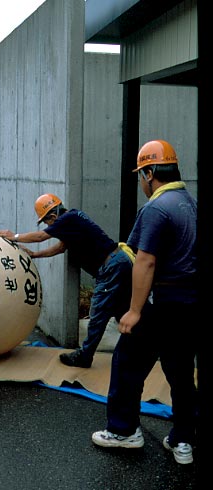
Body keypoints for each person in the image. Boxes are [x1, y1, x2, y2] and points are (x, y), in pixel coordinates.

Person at [91, 140, 197, 465]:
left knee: (127, 363)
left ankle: (124, 432)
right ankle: (182, 442)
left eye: (141, 175)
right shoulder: (191, 204)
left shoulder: (156, 208)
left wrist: (134, 311)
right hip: (190, 306)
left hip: (161, 304)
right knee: (181, 373)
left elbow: (145, 261)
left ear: (150, 173)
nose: (141, 181)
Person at [0, 193, 135, 368]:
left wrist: (13, 236)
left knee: (99, 313)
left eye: (46, 222)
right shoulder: (72, 219)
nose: (47, 226)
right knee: (122, 310)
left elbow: (40, 237)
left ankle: (84, 356)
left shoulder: (67, 219)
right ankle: (144, 346)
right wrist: (35, 255)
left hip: (111, 268)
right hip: (118, 263)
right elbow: (61, 247)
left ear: (53, 216)